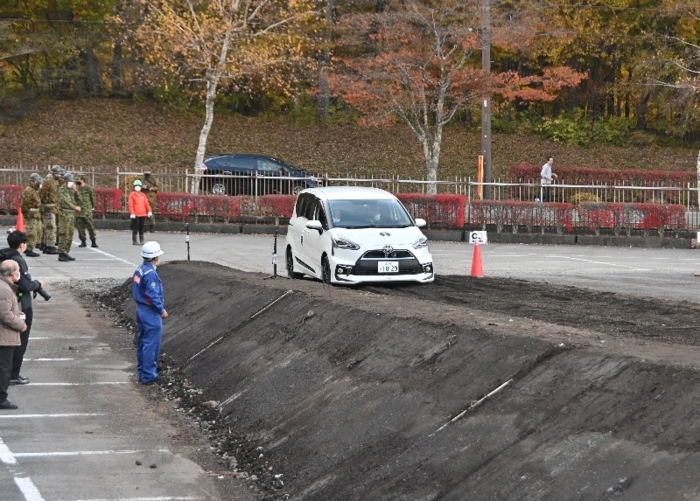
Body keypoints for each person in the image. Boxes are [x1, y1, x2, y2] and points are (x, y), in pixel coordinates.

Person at [0, 231, 44, 386]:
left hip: (9, 301)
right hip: (19, 304)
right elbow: (25, 284)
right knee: (19, 340)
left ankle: (7, 373)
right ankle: (13, 374)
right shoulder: (17, 260)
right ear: (22, 245)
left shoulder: (3, 255)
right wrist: (38, 285)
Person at [132, 241, 168, 385]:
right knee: (151, 343)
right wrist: (161, 310)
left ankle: (142, 370)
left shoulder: (140, 269)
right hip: (150, 312)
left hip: (140, 309)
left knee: (143, 341)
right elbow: (152, 295)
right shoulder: (150, 274)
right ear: (155, 257)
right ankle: (148, 374)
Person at [0, 259, 27, 410]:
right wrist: (21, 324)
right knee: (4, 368)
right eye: (18, 271)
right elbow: (5, 315)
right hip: (4, 336)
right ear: (12, 273)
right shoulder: (4, 289)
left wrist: (17, 313)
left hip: (4, 335)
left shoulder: (5, 287)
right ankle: (1, 398)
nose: (20, 274)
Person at [56, 172, 81, 262]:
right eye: (70, 181)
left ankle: (66, 252)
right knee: (64, 233)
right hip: (64, 214)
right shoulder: (62, 190)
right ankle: (61, 253)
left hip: (71, 214)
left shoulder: (71, 190)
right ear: (66, 181)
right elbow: (65, 201)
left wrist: (76, 191)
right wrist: (74, 207)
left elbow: (79, 200)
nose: (72, 183)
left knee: (70, 233)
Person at [38, 165, 62, 255]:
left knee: (50, 227)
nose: (59, 175)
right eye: (57, 173)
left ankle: (47, 244)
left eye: (59, 173)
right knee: (51, 227)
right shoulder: (48, 182)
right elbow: (41, 194)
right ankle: (50, 246)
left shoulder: (56, 182)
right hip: (48, 207)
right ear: (53, 173)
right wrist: (41, 205)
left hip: (53, 207)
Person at [21, 173, 43, 257]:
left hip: (36, 214)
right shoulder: (29, 190)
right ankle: (29, 249)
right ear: (32, 181)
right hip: (31, 214)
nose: (38, 183)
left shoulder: (35, 190)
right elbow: (25, 204)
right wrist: (26, 213)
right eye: (37, 181)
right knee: (31, 232)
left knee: (38, 231)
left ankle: (32, 246)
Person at [74, 173, 98, 248]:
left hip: (87, 210)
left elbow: (92, 198)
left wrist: (93, 206)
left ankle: (93, 241)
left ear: (82, 180)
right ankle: (83, 241)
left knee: (90, 226)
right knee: (80, 227)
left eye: (78, 179)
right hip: (79, 211)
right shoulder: (76, 189)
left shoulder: (88, 188)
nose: (77, 181)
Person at [129, 179, 152, 246]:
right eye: (136, 186)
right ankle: (134, 240)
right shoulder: (132, 195)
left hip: (143, 214)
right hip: (136, 214)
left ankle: (142, 240)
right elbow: (131, 205)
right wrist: (132, 213)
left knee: (142, 227)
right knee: (135, 227)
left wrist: (149, 211)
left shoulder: (143, 195)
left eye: (138, 186)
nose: (137, 187)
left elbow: (146, 204)